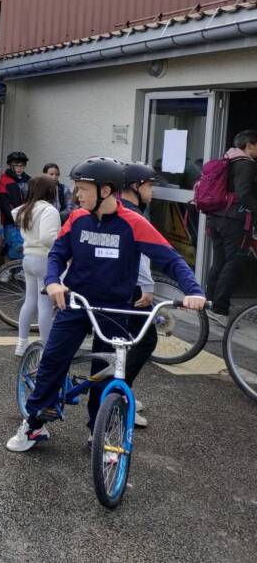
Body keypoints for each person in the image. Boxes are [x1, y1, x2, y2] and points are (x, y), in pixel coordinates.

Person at [6, 157, 205, 453]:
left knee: (108, 372)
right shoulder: (76, 218)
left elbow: (171, 259)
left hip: (114, 309)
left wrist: (193, 291)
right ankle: (34, 424)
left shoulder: (134, 223)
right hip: (77, 303)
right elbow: (58, 254)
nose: (77, 195)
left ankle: (98, 432)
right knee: (53, 362)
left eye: (83, 188)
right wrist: (53, 281)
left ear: (106, 190)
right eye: (76, 188)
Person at [119, 161, 163, 428]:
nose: (152, 191)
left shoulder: (115, 209)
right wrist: (148, 287)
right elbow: (142, 256)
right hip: (133, 286)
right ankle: (121, 396)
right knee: (145, 341)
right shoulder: (136, 215)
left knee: (126, 339)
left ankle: (120, 392)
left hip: (114, 285)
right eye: (150, 185)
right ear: (136, 186)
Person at [206, 129, 257, 318]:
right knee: (233, 262)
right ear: (250, 144)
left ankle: (209, 301)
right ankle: (220, 307)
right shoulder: (246, 164)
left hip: (216, 218)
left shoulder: (227, 159)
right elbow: (244, 194)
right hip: (233, 220)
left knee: (219, 261)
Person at [10, 176, 61, 355]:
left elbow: (14, 212)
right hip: (44, 259)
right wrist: (62, 250)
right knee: (45, 304)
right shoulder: (49, 210)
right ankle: (45, 348)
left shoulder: (25, 210)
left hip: (28, 258)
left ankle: (21, 344)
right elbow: (48, 238)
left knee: (29, 301)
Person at [0, 151, 32, 228]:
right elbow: (4, 205)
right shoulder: (4, 182)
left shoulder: (29, 180)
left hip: (27, 221)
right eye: (16, 165)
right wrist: (16, 219)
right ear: (10, 165)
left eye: (22, 166)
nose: (19, 168)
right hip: (11, 223)